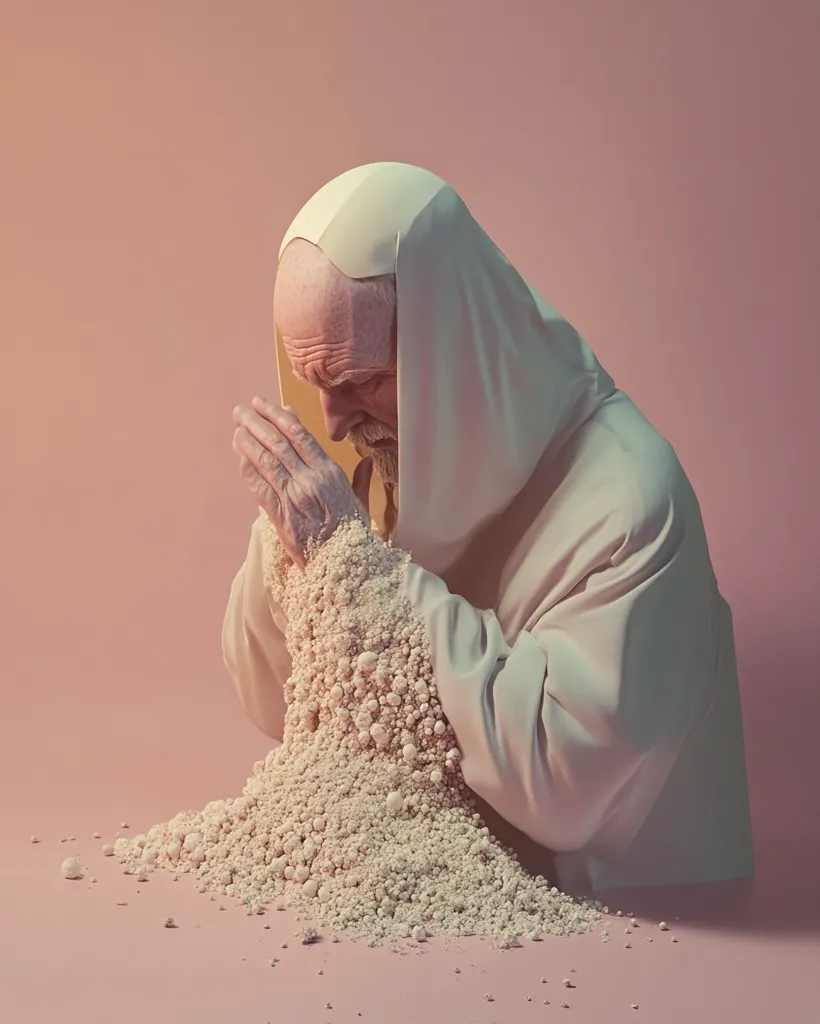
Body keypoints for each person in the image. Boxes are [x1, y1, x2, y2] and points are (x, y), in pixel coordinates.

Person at [222, 162, 754, 895]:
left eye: (361, 380)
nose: (336, 424)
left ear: (452, 349)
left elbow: (569, 788)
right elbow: (272, 698)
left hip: (640, 903)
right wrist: (294, 542)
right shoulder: (375, 462)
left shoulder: (631, 500)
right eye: (314, 383)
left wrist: (357, 570)